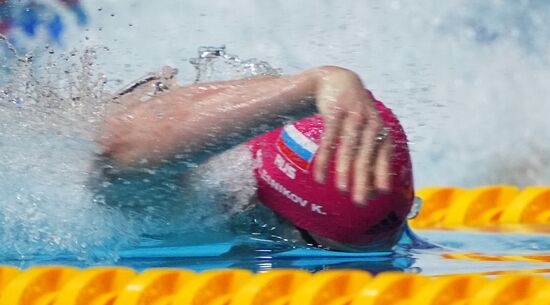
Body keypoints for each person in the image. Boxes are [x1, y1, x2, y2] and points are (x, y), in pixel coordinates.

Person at [94, 65, 414, 252]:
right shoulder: (203, 194)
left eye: (397, 232)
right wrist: (317, 83)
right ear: (277, 215)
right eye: (325, 248)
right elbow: (118, 152)